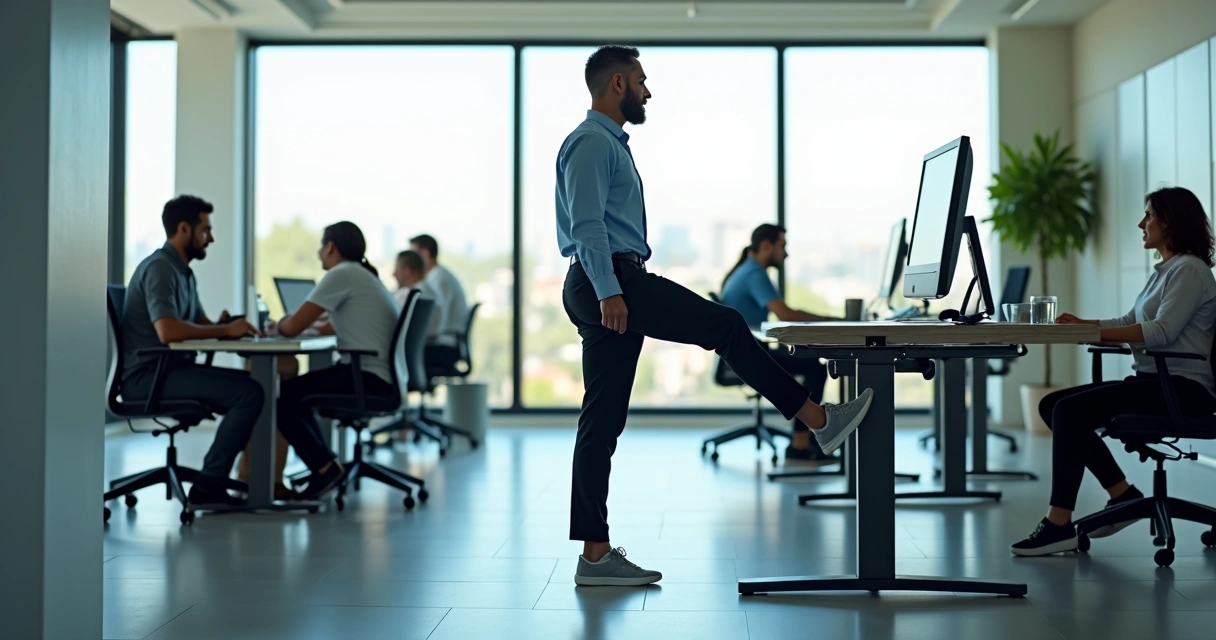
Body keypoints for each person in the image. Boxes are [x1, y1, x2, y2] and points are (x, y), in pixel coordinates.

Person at [556, 45, 876, 586]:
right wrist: (611, 292)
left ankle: (594, 555)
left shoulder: (606, 143)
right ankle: (820, 421)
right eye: (641, 79)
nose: (647, 90)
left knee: (603, 419)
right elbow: (587, 227)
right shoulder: (591, 143)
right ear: (616, 84)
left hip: (608, 279)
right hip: (609, 279)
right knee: (725, 325)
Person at [1011, 186, 1216, 557]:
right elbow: (1131, 320)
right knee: (1052, 405)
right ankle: (1123, 494)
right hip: (1154, 383)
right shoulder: (1166, 270)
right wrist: (1084, 325)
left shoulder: (1190, 270)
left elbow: (1161, 331)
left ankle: (1059, 524)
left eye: (1149, 215)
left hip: (1182, 390)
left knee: (1067, 411)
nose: (1142, 223)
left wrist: (1096, 332)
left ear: (1171, 222)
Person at [120, 196, 335, 508]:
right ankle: (209, 486)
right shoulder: (160, 268)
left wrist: (223, 324)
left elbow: (199, 323)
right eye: (206, 230)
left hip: (170, 371)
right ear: (183, 229)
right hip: (148, 377)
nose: (211, 237)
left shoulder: (182, 272)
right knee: (249, 393)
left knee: (253, 388)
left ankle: (238, 480)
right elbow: (168, 331)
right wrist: (223, 331)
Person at [272, 221, 403, 500]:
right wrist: (309, 326)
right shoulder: (360, 275)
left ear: (330, 246)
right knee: (296, 395)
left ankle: (325, 468)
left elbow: (292, 327)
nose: (319, 254)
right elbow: (333, 324)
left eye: (321, 247)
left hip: (366, 378)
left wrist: (277, 325)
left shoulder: (341, 273)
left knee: (283, 398)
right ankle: (325, 466)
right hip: (379, 376)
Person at [720, 223, 836, 465]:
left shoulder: (746, 270)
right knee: (814, 367)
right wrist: (834, 320)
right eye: (783, 246)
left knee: (811, 365)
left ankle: (805, 440)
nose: (786, 253)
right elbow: (785, 314)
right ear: (766, 246)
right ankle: (800, 445)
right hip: (748, 357)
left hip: (741, 354)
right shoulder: (754, 273)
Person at [410, 234, 470, 370]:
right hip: (444, 342)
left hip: (445, 347)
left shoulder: (440, 279)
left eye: (413, 254)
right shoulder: (437, 276)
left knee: (403, 356)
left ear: (425, 253)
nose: (410, 260)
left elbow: (436, 319)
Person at [393, 249, 446, 340]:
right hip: (427, 349)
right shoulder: (433, 294)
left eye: (397, 268)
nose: (393, 274)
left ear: (407, 271)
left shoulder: (408, 295)